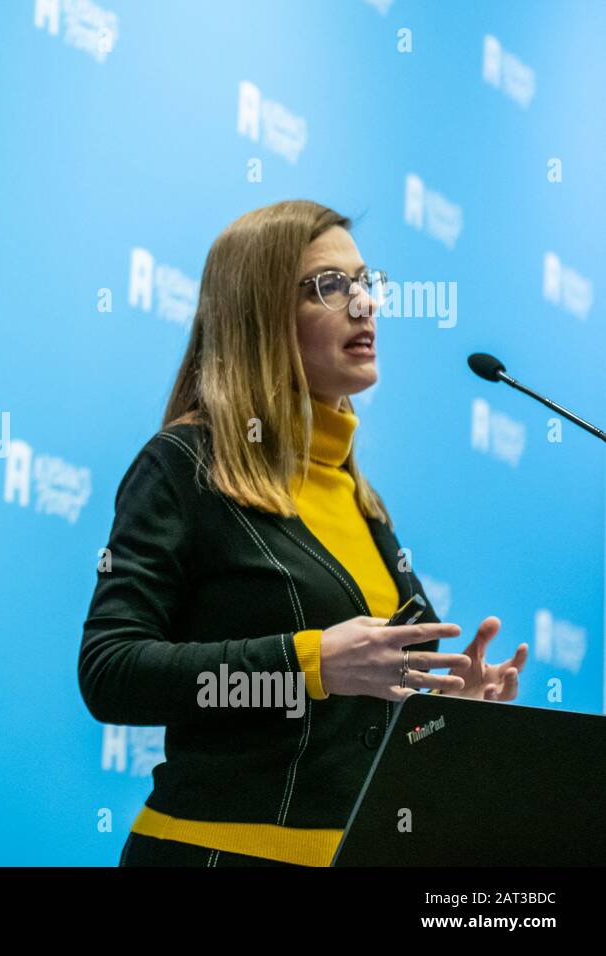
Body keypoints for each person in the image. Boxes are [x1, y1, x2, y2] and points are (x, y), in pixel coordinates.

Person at [78, 199, 529, 867]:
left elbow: (366, 718)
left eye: (365, 281)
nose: (363, 305)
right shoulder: (185, 466)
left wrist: (449, 705)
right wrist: (307, 662)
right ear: (258, 318)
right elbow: (111, 673)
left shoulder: (358, 496)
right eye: (328, 286)